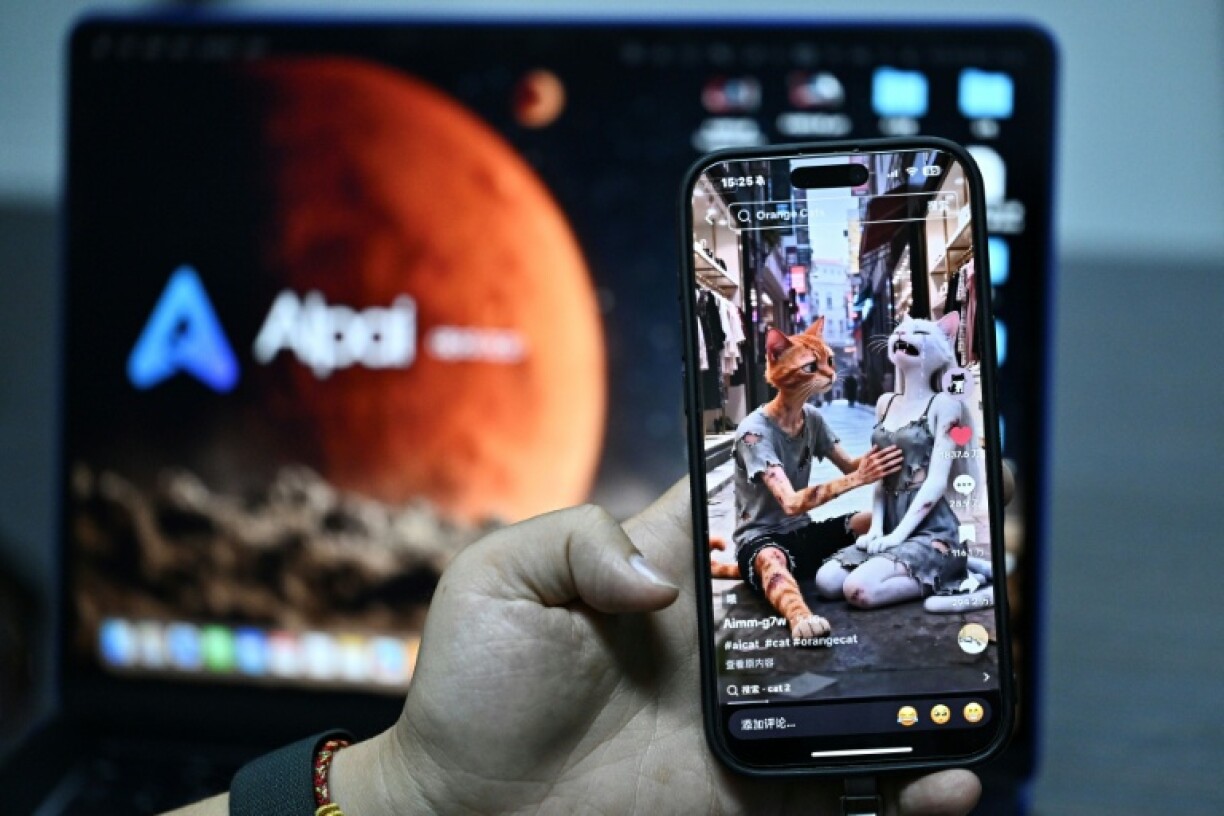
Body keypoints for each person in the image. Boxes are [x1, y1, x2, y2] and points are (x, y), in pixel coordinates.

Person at [167, 480, 981, 815]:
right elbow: (788, 509)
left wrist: (402, 797)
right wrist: (412, 792)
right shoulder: (763, 462)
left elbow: (838, 501)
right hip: (773, 542)